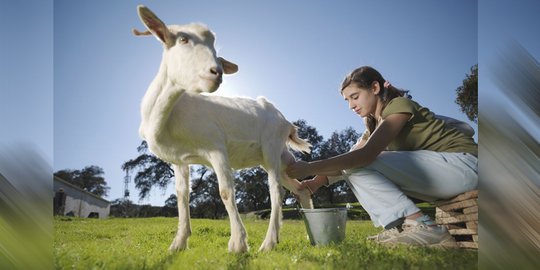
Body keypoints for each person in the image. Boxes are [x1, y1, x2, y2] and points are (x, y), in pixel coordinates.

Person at [286, 66, 477, 248]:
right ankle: (403, 226)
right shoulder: (374, 128)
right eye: (347, 100)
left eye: (355, 97)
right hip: (443, 176)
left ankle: (425, 226)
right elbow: (351, 161)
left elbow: (365, 156)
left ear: (375, 88)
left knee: (361, 159)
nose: (351, 105)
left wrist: (310, 166)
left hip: (467, 166)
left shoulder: (399, 105)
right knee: (354, 160)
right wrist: (314, 183)